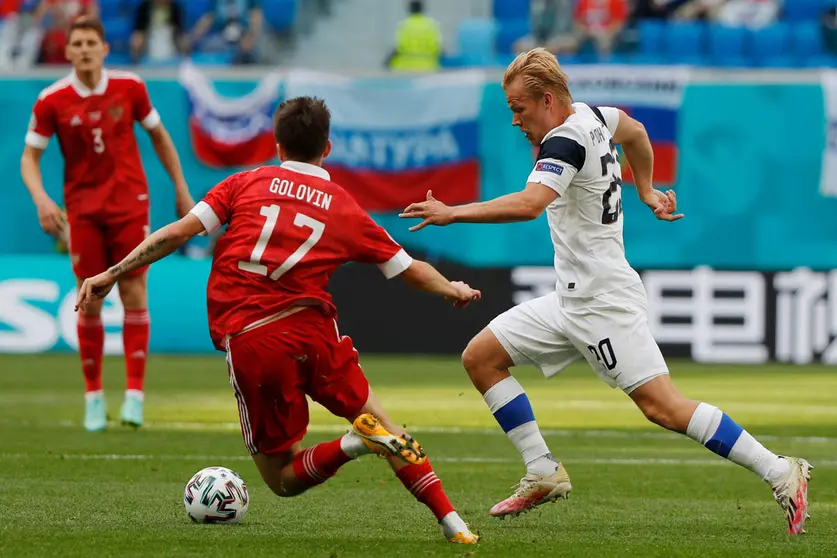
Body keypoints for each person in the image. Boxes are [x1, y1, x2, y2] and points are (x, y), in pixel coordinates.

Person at [399, 48, 813, 535]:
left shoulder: (565, 141)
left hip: (602, 302)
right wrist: (647, 190)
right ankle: (543, 470)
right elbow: (635, 132)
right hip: (570, 299)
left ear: (548, 99)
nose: (514, 120)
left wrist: (454, 212)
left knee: (664, 407)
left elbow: (531, 204)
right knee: (481, 358)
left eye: (519, 108)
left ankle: (780, 470)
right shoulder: (596, 116)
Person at [74, 96, 482, 545]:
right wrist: (453, 289)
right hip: (314, 331)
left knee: (282, 477)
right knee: (386, 423)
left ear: (277, 144)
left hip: (254, 340)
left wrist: (112, 273)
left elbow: (177, 233)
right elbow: (409, 270)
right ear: (326, 149)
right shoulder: (344, 207)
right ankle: (453, 523)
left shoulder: (244, 184)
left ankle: (351, 445)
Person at [20, 16, 194, 432]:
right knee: (90, 299)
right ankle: (94, 398)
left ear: (103, 49)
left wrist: (181, 188)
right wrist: (42, 199)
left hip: (130, 206)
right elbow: (29, 158)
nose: (83, 49)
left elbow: (159, 136)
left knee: (134, 290)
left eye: (90, 43)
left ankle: (134, 396)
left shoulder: (130, 87)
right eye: (76, 43)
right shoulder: (51, 100)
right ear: (67, 51)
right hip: (83, 211)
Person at [386, 0, 442, 73]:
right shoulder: (431, 25)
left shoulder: (404, 25)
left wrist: (386, 63)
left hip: (405, 67)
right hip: (428, 67)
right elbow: (437, 49)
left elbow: (398, 48)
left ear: (409, 9)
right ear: (422, 9)